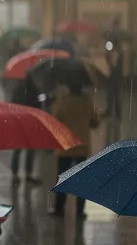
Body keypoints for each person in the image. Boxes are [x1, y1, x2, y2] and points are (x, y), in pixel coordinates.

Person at [50, 81, 99, 218]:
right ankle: (80, 211)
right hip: (82, 146)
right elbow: (95, 122)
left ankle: (59, 209)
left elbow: (55, 120)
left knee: (62, 179)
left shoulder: (63, 102)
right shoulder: (87, 103)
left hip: (66, 146)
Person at [7, 75, 43, 183]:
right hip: (30, 124)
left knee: (17, 150)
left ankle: (15, 175)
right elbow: (38, 105)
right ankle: (28, 173)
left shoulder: (17, 89)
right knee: (31, 150)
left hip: (18, 123)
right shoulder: (34, 90)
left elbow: (12, 104)